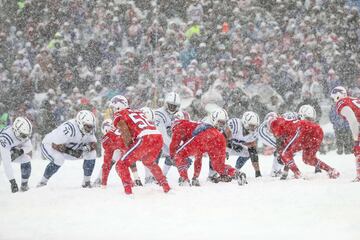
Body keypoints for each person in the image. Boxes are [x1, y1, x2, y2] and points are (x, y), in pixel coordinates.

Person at [111, 95, 170, 194]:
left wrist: (130, 147)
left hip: (145, 138)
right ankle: (165, 186)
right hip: (157, 136)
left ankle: (128, 191)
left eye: (113, 107)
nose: (113, 110)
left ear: (118, 106)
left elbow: (125, 132)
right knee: (149, 162)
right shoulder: (137, 111)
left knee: (121, 164)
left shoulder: (119, 115)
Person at [174, 108, 247, 186]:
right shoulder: (212, 127)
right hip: (218, 139)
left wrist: (195, 177)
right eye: (220, 122)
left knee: (179, 154)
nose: (221, 125)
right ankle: (235, 173)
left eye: (223, 123)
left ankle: (184, 179)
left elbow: (198, 153)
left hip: (206, 138)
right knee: (219, 166)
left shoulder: (202, 124)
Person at [37, 110, 97, 188]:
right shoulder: (69, 128)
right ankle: (42, 182)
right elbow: (56, 145)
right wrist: (73, 152)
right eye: (87, 126)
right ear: (80, 123)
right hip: (49, 145)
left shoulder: (89, 131)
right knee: (59, 159)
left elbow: (94, 144)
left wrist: (87, 148)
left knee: (92, 153)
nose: (90, 129)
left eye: (91, 126)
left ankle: (86, 182)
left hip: (68, 149)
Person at [269, 116, 340, 180]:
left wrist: (280, 156)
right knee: (308, 159)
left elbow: (282, 146)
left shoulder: (274, 123)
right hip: (316, 132)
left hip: (303, 130)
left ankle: (298, 174)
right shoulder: (284, 123)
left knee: (284, 153)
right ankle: (331, 170)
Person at [93, 119, 142, 187]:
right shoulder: (119, 129)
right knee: (123, 161)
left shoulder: (108, 137)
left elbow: (106, 163)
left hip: (126, 144)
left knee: (116, 165)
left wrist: (103, 183)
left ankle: (130, 182)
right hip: (133, 143)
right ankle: (135, 180)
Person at [330, 86, 360, 181]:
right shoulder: (353, 99)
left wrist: (356, 138)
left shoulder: (341, 103)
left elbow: (352, 119)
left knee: (357, 150)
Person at [0, 117, 32, 193]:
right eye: (24, 135)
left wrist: (21, 151)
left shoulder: (22, 132)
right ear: (16, 130)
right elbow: (6, 163)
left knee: (26, 158)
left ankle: (24, 185)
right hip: (2, 149)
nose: (25, 138)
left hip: (8, 149)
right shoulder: (6, 138)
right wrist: (12, 182)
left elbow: (29, 146)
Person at [169, 112, 202, 186]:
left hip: (196, 139)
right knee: (198, 156)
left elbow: (174, 143)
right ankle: (195, 178)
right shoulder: (192, 124)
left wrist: (172, 155)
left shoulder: (180, 125)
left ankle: (184, 178)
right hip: (206, 138)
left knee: (178, 155)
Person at [154, 92, 182, 176]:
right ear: (166, 104)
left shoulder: (178, 115)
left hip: (167, 140)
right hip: (155, 139)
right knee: (154, 157)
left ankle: (163, 175)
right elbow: (162, 134)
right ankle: (151, 177)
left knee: (173, 156)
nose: (172, 108)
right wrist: (174, 147)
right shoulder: (159, 114)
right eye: (170, 105)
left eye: (174, 106)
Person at [227, 111, 262, 178]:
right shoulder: (235, 125)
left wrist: (257, 172)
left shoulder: (254, 133)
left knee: (248, 153)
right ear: (245, 122)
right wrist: (231, 144)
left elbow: (253, 152)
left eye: (255, 126)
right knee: (219, 154)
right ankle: (215, 172)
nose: (253, 128)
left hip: (235, 147)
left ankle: (236, 170)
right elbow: (222, 137)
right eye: (251, 125)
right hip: (224, 145)